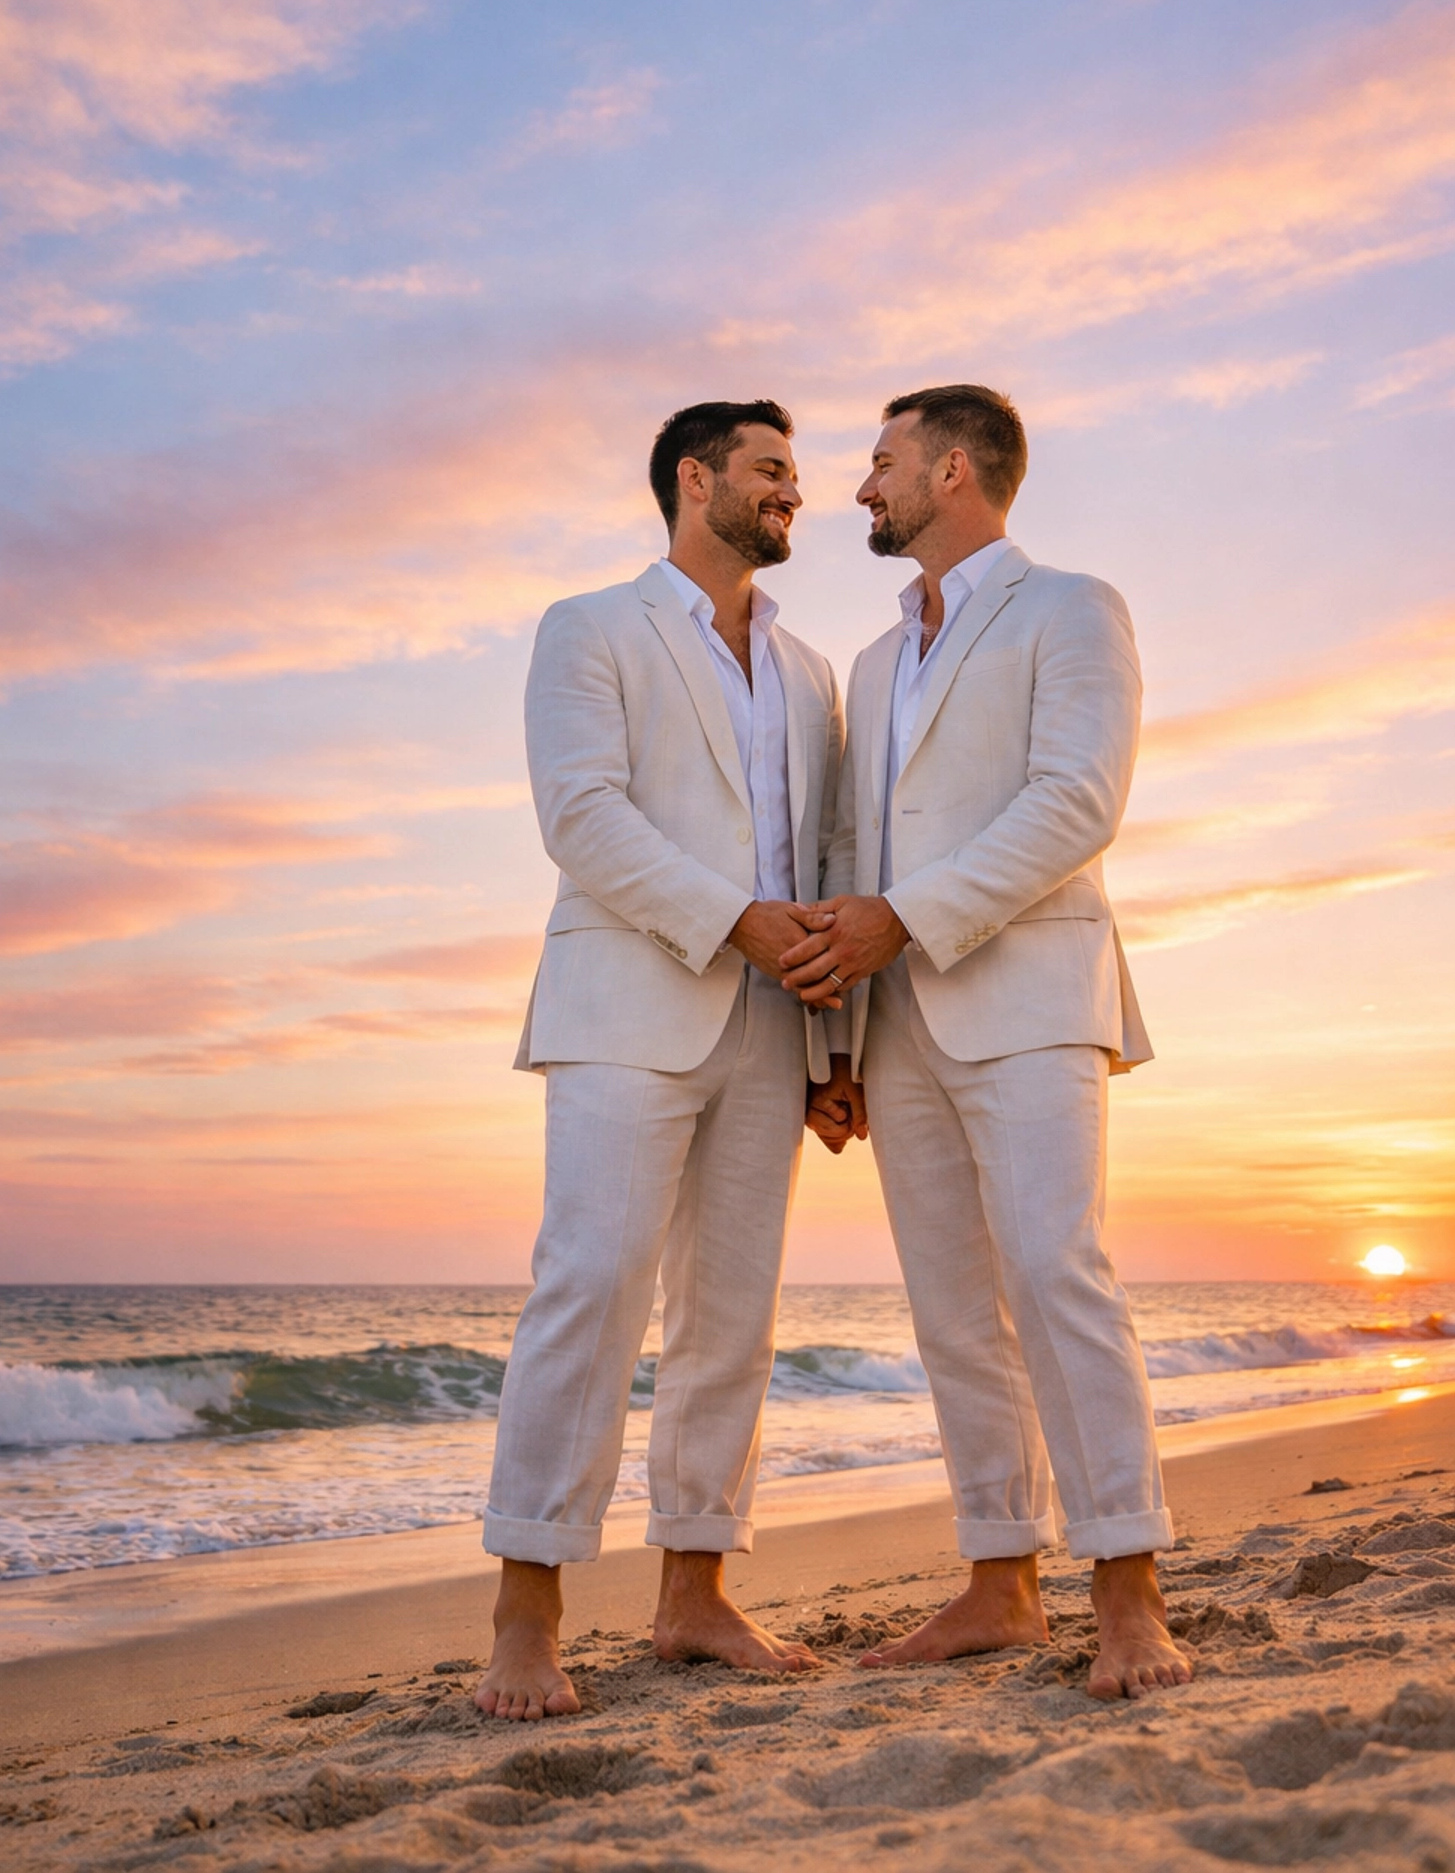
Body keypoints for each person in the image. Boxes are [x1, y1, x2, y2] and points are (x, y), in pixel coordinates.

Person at [788, 383, 1192, 1702]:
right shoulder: (871, 662)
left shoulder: (1073, 608)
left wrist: (904, 918)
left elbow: (1078, 800)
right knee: (955, 1311)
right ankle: (1000, 1580)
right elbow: (850, 852)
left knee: (1053, 1272)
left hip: (1029, 996)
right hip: (896, 1021)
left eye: (882, 461)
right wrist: (834, 1042)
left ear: (955, 469)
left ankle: (1127, 1588)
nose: (862, 487)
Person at [477, 399, 844, 1721]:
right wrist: (732, 922)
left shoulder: (810, 673)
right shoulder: (591, 627)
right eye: (771, 470)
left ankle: (694, 1597)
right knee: (591, 1290)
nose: (794, 491)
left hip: (769, 1026)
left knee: (732, 1321)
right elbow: (581, 815)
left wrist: (830, 1041)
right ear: (696, 481)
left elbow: (824, 861)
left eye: (794, 473)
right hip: (628, 1006)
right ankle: (527, 1618)